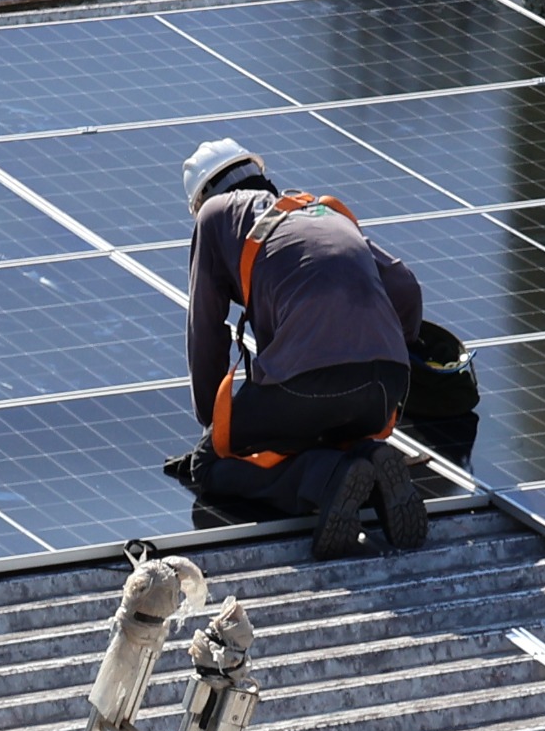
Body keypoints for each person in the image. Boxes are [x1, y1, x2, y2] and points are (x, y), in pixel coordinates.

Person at [180, 136, 431, 558]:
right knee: (321, 427)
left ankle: (327, 478)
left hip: (307, 385)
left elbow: (205, 329)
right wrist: (392, 360)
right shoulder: (322, 212)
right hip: (383, 388)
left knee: (209, 464)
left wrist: (214, 428)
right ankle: (370, 460)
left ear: (204, 197)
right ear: (262, 178)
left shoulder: (215, 214)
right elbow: (405, 289)